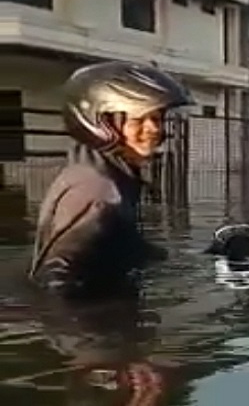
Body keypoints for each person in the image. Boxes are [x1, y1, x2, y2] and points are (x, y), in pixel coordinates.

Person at [28, 60, 195, 299]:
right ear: (99, 124)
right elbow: (56, 279)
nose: (153, 129)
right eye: (138, 120)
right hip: (95, 326)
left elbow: (125, 246)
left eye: (157, 118)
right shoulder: (96, 191)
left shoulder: (113, 174)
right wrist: (105, 330)